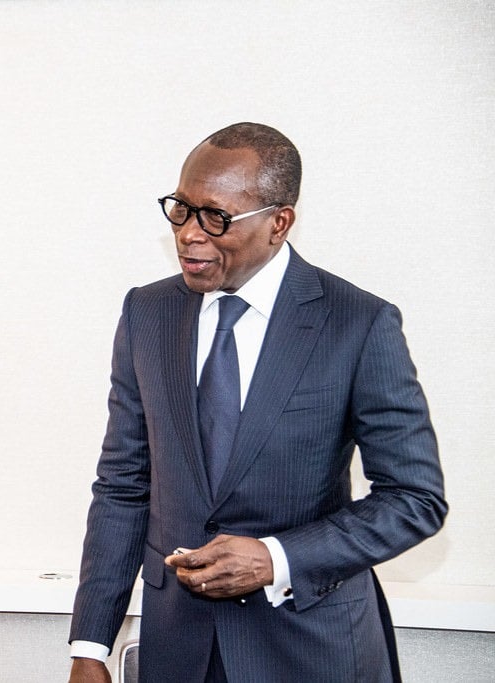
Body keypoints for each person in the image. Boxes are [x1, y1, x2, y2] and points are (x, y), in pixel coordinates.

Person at [68, 122, 447, 683]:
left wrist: (277, 558)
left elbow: (414, 499)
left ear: (279, 222)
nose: (189, 234)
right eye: (181, 209)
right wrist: (90, 646)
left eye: (215, 217)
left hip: (312, 652)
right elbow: (124, 484)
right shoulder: (146, 313)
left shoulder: (358, 323)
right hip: (179, 653)